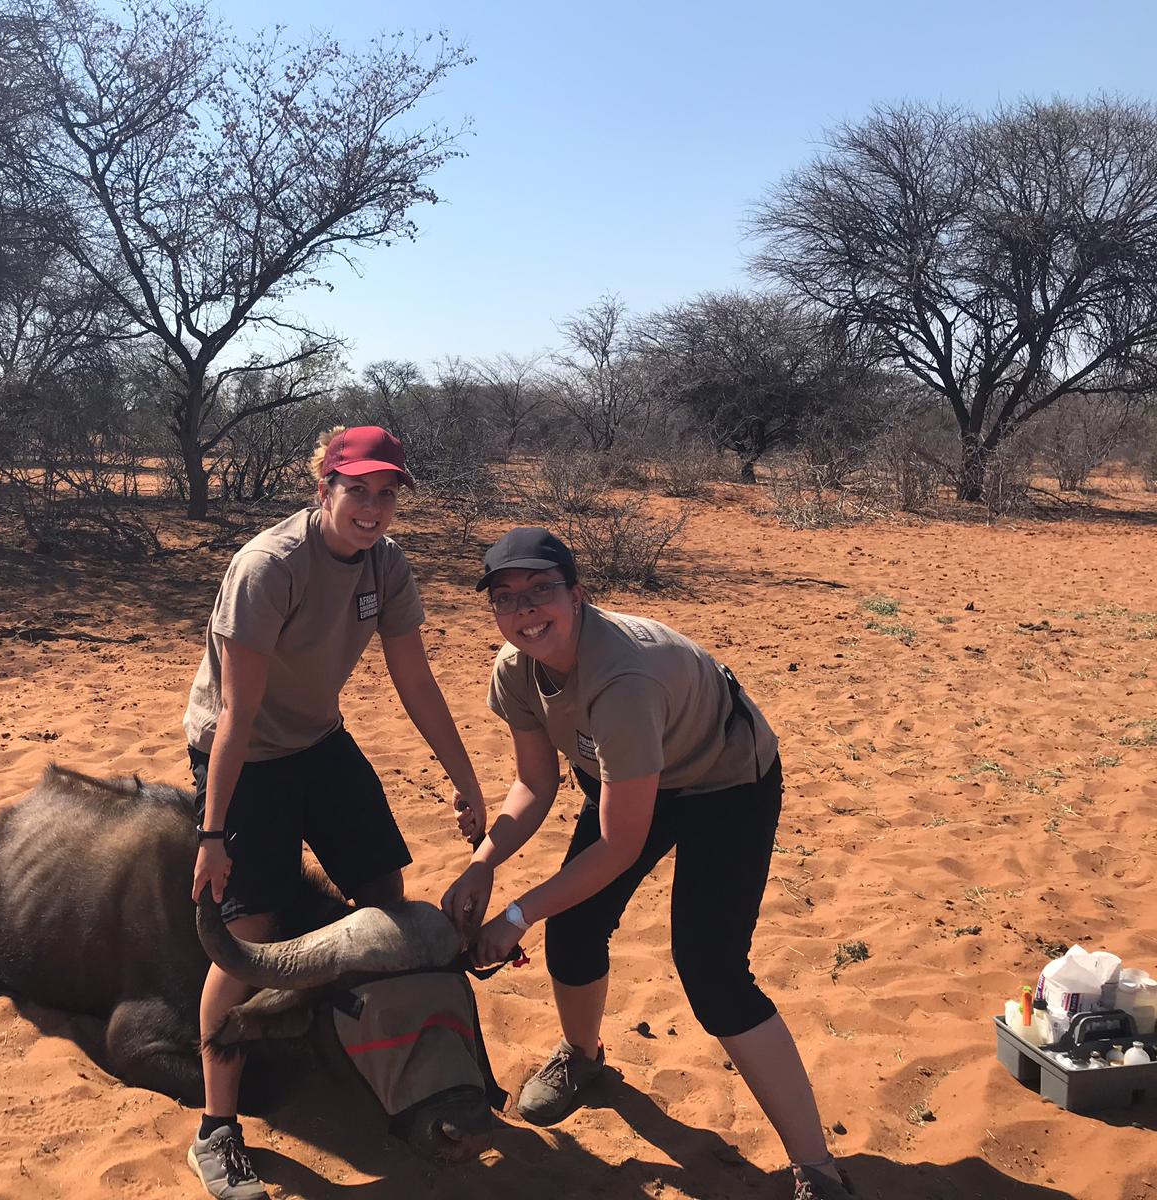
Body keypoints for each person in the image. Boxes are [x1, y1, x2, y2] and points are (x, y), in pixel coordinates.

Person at [441, 527, 854, 1200]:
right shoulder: (516, 669)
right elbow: (535, 785)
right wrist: (484, 863)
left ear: (576, 595)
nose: (525, 610)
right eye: (506, 598)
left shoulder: (622, 679)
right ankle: (582, 1059)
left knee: (713, 971)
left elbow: (620, 847)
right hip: (631, 777)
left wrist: (518, 913)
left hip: (726, 780)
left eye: (542, 590)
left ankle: (816, 1166)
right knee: (573, 931)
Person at [182, 425, 487, 1200]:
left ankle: (386, 1064)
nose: (374, 508)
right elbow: (237, 714)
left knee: (389, 912)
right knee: (243, 945)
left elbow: (415, 681)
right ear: (325, 487)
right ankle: (216, 1130)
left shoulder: (386, 565)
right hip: (245, 756)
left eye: (388, 494)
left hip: (320, 739)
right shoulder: (268, 568)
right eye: (359, 490)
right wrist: (214, 834)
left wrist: (465, 779)